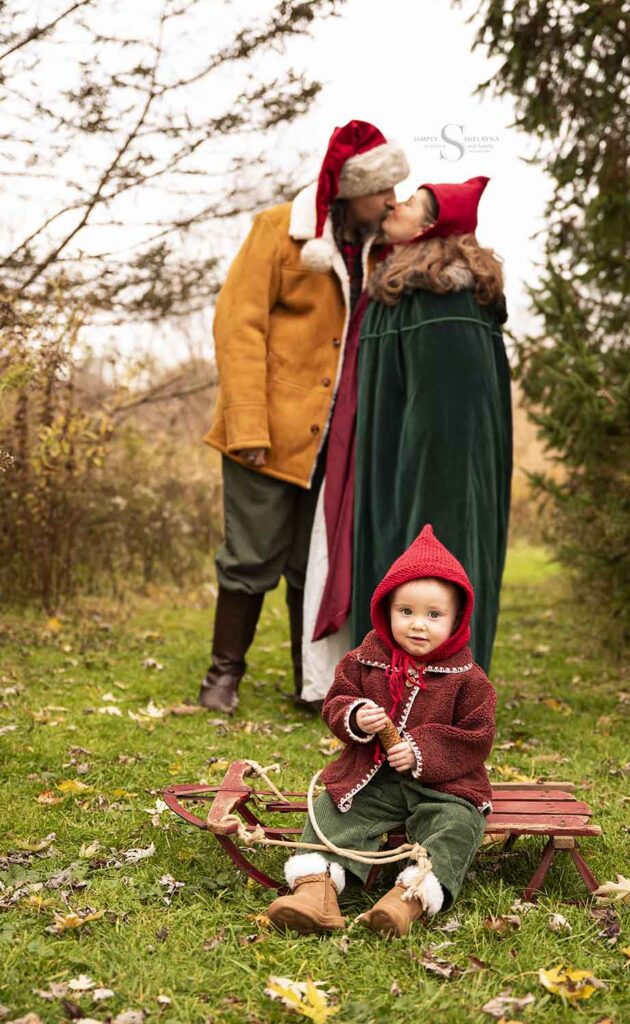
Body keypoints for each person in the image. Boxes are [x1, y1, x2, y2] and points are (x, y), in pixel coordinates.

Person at [199, 120, 409, 714]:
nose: (393, 200)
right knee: (250, 555)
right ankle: (222, 680)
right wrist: (246, 426)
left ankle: (308, 683)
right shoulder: (277, 232)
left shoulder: (381, 249)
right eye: (382, 189)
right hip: (267, 430)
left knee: (306, 565)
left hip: (338, 443)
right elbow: (237, 326)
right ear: (349, 189)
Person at [303, 178, 511, 697]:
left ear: (428, 227)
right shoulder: (403, 288)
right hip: (391, 461)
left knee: (439, 562)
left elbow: (449, 418)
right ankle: (390, 690)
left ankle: (444, 698)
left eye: (411, 204)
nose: (395, 205)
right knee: (393, 562)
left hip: (432, 475)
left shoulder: (448, 298)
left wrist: (423, 499)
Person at [265, 524, 496, 938]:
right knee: (332, 809)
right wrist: (354, 716)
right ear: (386, 610)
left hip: (446, 785)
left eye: (434, 615)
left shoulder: (469, 679)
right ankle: (315, 892)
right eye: (405, 612)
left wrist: (421, 750)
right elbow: (337, 699)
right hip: (373, 778)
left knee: (457, 826)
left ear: (458, 618)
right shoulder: (365, 659)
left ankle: (408, 900)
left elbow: (477, 736)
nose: (417, 625)